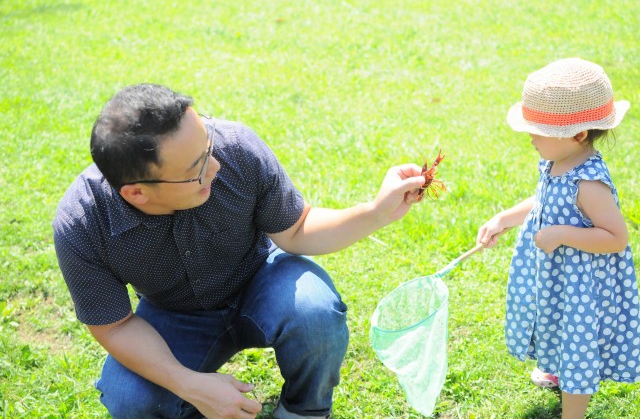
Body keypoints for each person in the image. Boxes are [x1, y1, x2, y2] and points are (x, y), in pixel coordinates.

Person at [53, 83, 430, 419]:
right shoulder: (83, 223)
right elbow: (115, 326)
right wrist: (189, 384)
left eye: (208, 146)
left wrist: (375, 212)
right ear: (137, 192)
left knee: (315, 311)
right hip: (174, 313)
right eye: (196, 167)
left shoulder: (236, 148)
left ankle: (304, 411)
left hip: (261, 278)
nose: (216, 166)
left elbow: (297, 230)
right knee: (130, 400)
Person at [476, 58, 640, 419]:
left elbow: (616, 237)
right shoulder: (557, 161)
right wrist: (505, 218)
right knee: (555, 323)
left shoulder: (589, 183)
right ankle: (556, 368)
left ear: (579, 135)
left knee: (576, 340)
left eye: (538, 130)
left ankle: (573, 410)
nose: (530, 136)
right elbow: (544, 200)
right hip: (559, 277)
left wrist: (561, 234)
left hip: (582, 285)